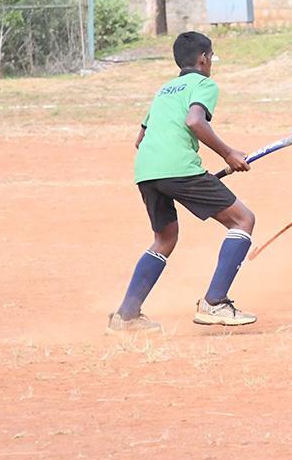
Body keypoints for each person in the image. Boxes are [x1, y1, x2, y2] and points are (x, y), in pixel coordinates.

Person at [107, 31, 258, 333]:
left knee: (165, 239)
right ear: (203, 58)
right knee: (243, 220)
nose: (211, 62)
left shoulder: (165, 89)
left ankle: (126, 315)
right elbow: (194, 121)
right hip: (177, 168)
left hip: (146, 171)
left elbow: (140, 139)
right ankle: (215, 302)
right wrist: (228, 154)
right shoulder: (204, 84)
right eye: (211, 57)